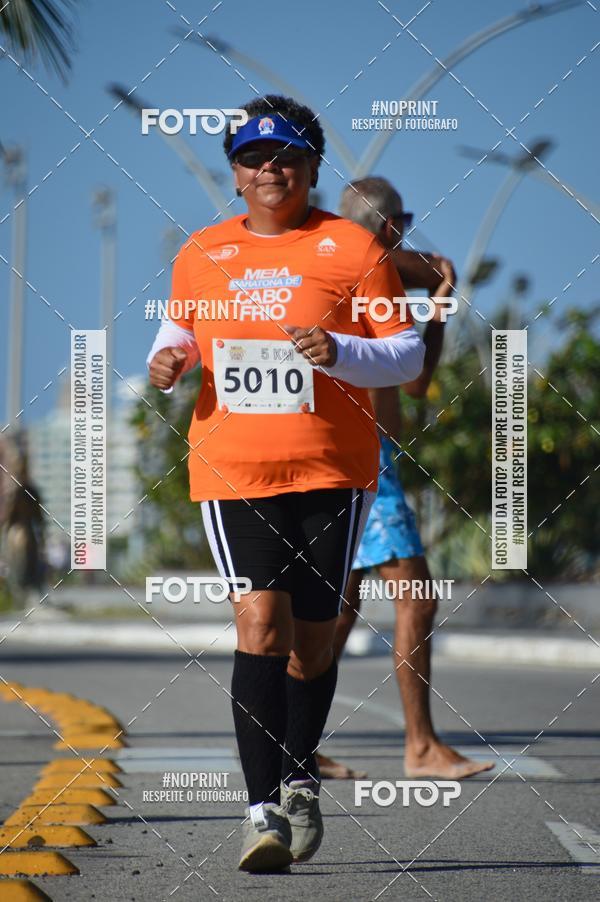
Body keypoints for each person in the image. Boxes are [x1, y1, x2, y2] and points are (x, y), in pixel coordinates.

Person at [147, 98, 425, 873]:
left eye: (287, 157)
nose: (270, 169)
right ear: (235, 172)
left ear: (311, 167)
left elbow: (405, 353)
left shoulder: (353, 246)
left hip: (334, 471)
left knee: (313, 641)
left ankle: (300, 775)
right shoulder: (202, 252)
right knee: (259, 625)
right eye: (254, 158)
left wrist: (340, 352)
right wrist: (168, 360)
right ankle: (261, 811)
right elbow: (180, 330)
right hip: (234, 469)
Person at [316, 177, 494, 781]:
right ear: (392, 225)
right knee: (416, 598)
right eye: (404, 222)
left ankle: (291, 744)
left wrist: (435, 296)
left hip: (342, 455)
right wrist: (439, 291)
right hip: (364, 457)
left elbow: (413, 380)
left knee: (336, 611)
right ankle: (420, 746)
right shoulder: (368, 267)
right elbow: (424, 270)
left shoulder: (345, 269)